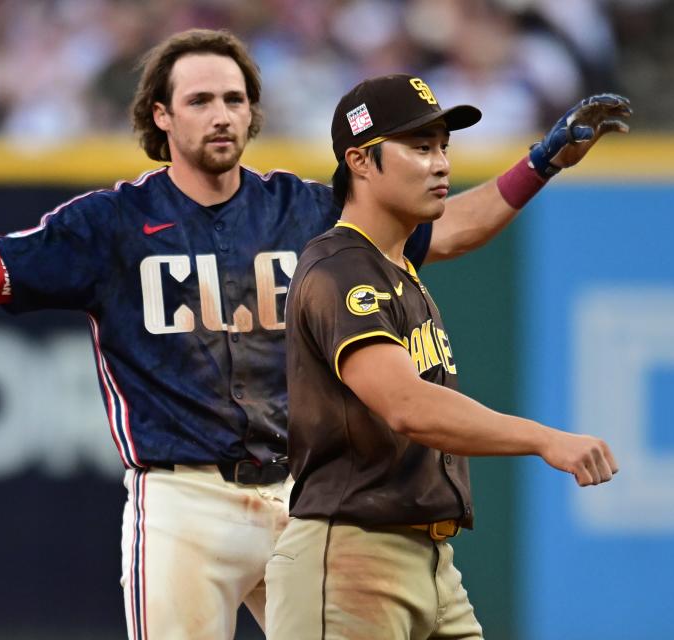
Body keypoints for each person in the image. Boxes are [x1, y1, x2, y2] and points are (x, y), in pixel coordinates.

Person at [0, 28, 630, 640]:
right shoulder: (112, 222)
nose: (221, 113)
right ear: (160, 114)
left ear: (253, 111)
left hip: (307, 492)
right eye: (200, 99)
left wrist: (543, 160)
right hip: (185, 498)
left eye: (235, 98)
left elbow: (447, 230)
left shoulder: (303, 207)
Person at [265, 74, 623, 640]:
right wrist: (545, 438)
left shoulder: (395, 266)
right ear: (360, 160)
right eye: (419, 146)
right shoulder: (342, 270)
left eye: (443, 147)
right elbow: (408, 406)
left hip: (431, 563)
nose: (440, 164)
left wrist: (543, 163)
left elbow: (459, 228)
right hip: (352, 558)